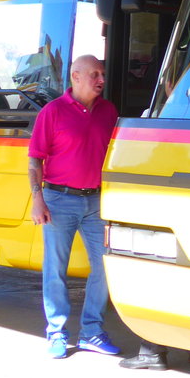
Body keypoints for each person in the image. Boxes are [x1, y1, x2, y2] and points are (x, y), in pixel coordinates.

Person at [28, 54, 121, 359]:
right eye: (95, 74)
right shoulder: (52, 112)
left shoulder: (109, 112)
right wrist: (37, 198)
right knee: (55, 269)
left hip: (96, 201)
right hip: (58, 200)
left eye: (102, 74)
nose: (101, 80)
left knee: (105, 266)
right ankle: (56, 332)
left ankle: (92, 332)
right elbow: (34, 160)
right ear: (76, 76)